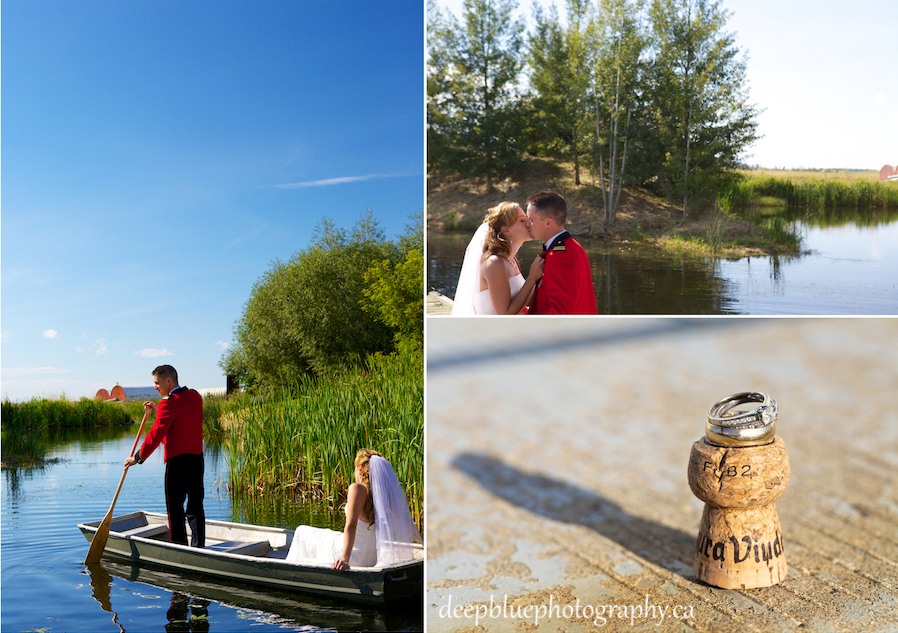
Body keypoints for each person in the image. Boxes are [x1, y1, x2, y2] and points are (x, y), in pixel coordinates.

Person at [286, 449, 423, 569]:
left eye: (355, 468)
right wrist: (425, 544)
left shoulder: (357, 489)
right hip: (371, 559)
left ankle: (292, 573)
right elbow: (407, 525)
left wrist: (344, 559)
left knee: (301, 531)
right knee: (330, 535)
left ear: (361, 468)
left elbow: (351, 526)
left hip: (352, 557)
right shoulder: (384, 495)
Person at [124, 365, 205, 548]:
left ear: (169, 381)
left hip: (177, 462)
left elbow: (156, 435)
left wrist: (137, 458)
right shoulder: (194, 396)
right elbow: (180, 424)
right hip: (197, 460)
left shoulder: (168, 403)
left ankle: (179, 547)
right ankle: (199, 546)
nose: (155, 387)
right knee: (195, 506)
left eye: (157, 383)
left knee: (175, 508)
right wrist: (158, 410)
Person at [451, 202, 545, 315]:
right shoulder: (494, 263)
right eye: (522, 220)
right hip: (491, 330)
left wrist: (536, 281)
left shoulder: (512, 262)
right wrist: (531, 279)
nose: (528, 223)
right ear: (507, 231)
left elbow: (520, 303)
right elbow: (505, 314)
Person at [526, 191, 598, 314]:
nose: (528, 224)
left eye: (531, 220)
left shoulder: (560, 256)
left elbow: (560, 313)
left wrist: (527, 327)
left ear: (548, 222)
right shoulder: (574, 246)